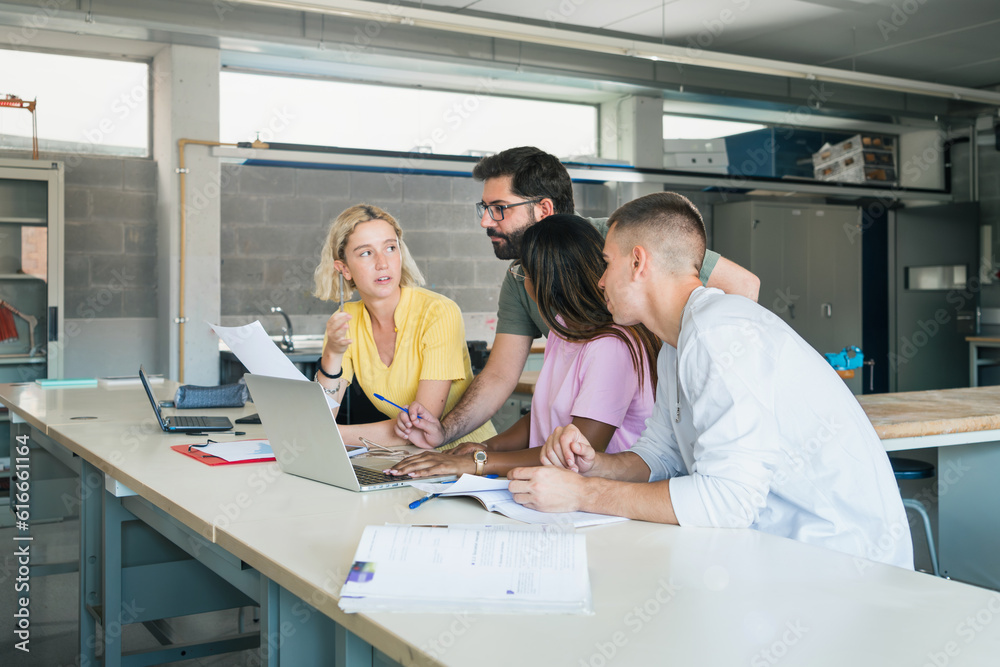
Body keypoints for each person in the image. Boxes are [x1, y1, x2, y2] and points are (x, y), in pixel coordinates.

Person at [507, 192, 912, 568]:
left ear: (637, 262)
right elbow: (660, 458)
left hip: (842, 562)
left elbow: (728, 501)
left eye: (606, 263)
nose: (598, 281)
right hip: (783, 554)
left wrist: (583, 495)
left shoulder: (719, 333)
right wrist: (595, 466)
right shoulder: (676, 344)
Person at [397, 146, 760, 449]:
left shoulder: (619, 236)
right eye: (484, 208)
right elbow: (500, 375)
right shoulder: (522, 279)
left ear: (544, 209)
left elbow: (743, 286)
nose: (486, 222)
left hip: (661, 436)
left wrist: (698, 397)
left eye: (499, 209)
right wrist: (446, 433)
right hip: (615, 456)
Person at [389, 214, 659, 478]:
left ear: (543, 281)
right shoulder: (562, 328)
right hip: (554, 486)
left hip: (601, 499)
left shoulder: (611, 347)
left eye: (523, 272)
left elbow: (576, 452)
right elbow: (544, 419)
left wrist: (480, 463)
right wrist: (485, 448)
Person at [312, 203, 496, 448]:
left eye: (390, 248)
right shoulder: (346, 320)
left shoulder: (438, 312)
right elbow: (323, 417)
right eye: (366, 253)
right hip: (412, 460)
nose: (382, 263)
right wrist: (333, 354)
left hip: (471, 460)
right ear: (344, 268)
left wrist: (332, 435)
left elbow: (422, 426)